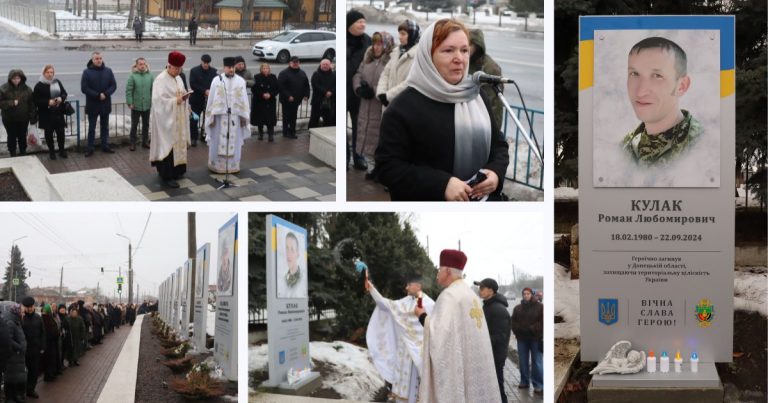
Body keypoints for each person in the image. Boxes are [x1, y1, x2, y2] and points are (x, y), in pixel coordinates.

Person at [375, 19, 509, 201]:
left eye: (464, 50)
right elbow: (388, 168)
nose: (459, 59)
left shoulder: (476, 97)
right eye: (448, 50)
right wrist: (441, 184)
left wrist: (495, 173)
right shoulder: (403, 108)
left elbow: (498, 145)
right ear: (428, 57)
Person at [413, 250, 501, 402]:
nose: (437, 273)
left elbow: (438, 334)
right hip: (474, 367)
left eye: (439, 269)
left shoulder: (449, 296)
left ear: (447, 270)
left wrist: (421, 315)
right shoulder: (470, 294)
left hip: (462, 367)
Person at [621, 37, 702, 166]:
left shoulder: (703, 146)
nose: (640, 92)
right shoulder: (623, 149)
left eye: (657, 76)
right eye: (634, 74)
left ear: (681, 86)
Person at [365, 276, 435, 403]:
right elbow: (385, 304)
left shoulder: (430, 304)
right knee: (402, 387)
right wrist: (371, 289)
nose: (406, 288)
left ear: (418, 286)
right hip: (403, 351)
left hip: (418, 353)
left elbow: (433, 328)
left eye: (409, 285)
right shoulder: (405, 301)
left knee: (416, 385)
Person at [353, 32, 393, 179]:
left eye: (380, 44)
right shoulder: (367, 58)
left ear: (386, 45)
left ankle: (380, 169)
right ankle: (373, 167)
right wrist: (358, 88)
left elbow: (391, 83)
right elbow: (357, 74)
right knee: (366, 136)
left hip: (380, 106)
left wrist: (374, 91)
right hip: (365, 105)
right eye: (374, 43)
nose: (376, 47)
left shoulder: (390, 62)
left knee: (379, 138)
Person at [150, 51, 191, 189]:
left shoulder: (178, 78)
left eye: (180, 69)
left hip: (178, 117)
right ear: (169, 66)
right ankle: (166, 176)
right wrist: (176, 101)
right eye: (176, 68)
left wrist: (185, 98)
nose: (178, 71)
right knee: (168, 146)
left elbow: (182, 92)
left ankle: (178, 171)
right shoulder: (160, 80)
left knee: (178, 145)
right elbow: (158, 102)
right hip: (166, 121)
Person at [206, 56, 250, 174]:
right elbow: (211, 100)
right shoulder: (217, 80)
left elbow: (244, 100)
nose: (231, 70)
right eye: (229, 67)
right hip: (219, 118)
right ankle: (217, 166)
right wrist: (212, 117)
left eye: (233, 67)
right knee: (217, 141)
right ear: (224, 68)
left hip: (235, 117)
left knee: (234, 142)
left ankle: (232, 166)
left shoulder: (240, 81)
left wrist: (243, 117)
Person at [474, 278, 511, 403]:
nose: (480, 291)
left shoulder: (498, 309)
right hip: (488, 354)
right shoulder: (487, 306)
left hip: (495, 356)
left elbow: (502, 336)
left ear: (491, 291)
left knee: (497, 387)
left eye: (482, 288)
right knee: (491, 388)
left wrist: (480, 339)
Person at [346, 9, 371, 170]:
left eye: (364, 21)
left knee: (359, 127)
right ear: (349, 25)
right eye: (359, 21)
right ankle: (344, 157)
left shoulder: (368, 41)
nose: (363, 24)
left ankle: (359, 156)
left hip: (359, 91)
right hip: (342, 90)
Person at [377, 19, 420, 108]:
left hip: (405, 105)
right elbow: (385, 73)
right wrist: (381, 93)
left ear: (412, 35)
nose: (399, 37)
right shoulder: (396, 52)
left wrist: (388, 96)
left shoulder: (418, 56)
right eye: (399, 33)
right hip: (388, 104)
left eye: (403, 34)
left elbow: (411, 81)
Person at [81, 51, 117, 156]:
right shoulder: (87, 72)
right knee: (91, 128)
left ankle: (105, 145)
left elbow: (113, 86)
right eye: (96, 58)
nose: (98, 60)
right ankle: (90, 148)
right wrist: (97, 95)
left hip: (105, 104)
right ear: (92, 60)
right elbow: (84, 88)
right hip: (93, 104)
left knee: (104, 127)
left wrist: (105, 94)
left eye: (100, 58)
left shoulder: (108, 71)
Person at [469, 29, 504, 129]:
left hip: (481, 125)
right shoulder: (464, 61)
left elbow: (495, 105)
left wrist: (494, 133)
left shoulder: (490, 68)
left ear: (476, 45)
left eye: (469, 44)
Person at [511, 287, 543, 395]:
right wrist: (518, 330)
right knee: (523, 361)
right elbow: (513, 322)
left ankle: (538, 384)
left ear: (532, 295)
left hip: (535, 339)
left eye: (528, 294)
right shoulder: (517, 308)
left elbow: (542, 322)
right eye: (524, 294)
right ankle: (524, 381)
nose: (526, 295)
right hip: (522, 339)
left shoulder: (540, 307)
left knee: (537, 362)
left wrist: (531, 328)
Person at [33, 65, 68, 160]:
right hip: (46, 114)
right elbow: (36, 100)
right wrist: (48, 102)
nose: (50, 74)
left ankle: (61, 150)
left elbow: (64, 93)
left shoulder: (57, 82)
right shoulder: (39, 85)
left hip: (58, 113)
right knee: (48, 134)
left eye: (51, 72)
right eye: (47, 72)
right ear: (43, 73)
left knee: (61, 133)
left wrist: (61, 98)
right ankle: (51, 151)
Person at [0, 69, 36, 157]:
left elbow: (32, 104)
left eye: (18, 78)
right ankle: (12, 152)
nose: (16, 80)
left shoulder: (27, 89)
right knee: (11, 136)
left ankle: (23, 151)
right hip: (9, 119)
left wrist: (32, 118)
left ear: (22, 78)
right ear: (10, 79)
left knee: (22, 135)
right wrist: (11, 103)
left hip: (23, 119)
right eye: (14, 78)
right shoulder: (3, 88)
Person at [277, 56, 309, 139]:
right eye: (293, 62)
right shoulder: (283, 73)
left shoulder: (302, 73)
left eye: (297, 62)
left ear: (299, 63)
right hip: (286, 100)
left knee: (293, 117)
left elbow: (306, 85)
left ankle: (292, 131)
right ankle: (285, 132)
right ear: (290, 63)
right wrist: (288, 96)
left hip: (297, 100)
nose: (295, 64)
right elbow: (281, 87)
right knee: (286, 117)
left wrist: (306, 95)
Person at [189, 54, 218, 146]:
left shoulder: (213, 72)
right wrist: (204, 91)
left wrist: (211, 91)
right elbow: (193, 84)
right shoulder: (194, 71)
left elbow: (216, 84)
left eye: (207, 63)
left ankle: (204, 135)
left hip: (209, 100)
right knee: (194, 120)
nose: (206, 64)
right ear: (201, 61)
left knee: (207, 119)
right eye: (204, 63)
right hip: (196, 100)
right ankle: (193, 138)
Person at [126, 57, 153, 151]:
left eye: (144, 64)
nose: (142, 66)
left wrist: (152, 101)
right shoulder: (132, 76)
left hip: (146, 105)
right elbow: (129, 90)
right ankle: (132, 143)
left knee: (146, 125)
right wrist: (130, 102)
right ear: (136, 65)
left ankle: (145, 142)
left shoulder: (150, 75)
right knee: (134, 125)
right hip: (136, 105)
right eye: (140, 64)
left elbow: (152, 90)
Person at [21, 296, 44, 399]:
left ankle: (31, 390)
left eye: (31, 306)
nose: (29, 309)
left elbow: (43, 333)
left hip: (35, 350)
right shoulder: (21, 318)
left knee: (34, 371)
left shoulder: (38, 318)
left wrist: (43, 346)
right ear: (24, 307)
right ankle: (23, 391)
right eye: (27, 307)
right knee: (24, 372)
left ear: (33, 306)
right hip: (25, 350)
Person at [3, 304, 27, 403]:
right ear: (16, 312)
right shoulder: (10, 323)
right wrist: (19, 347)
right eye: (22, 312)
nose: (23, 313)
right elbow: (8, 339)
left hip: (17, 356)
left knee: (15, 378)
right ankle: (9, 398)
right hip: (13, 356)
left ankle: (15, 396)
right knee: (10, 378)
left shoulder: (16, 322)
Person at [251, 63, 278, 142]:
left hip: (270, 101)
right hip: (260, 101)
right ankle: (260, 133)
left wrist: (270, 94)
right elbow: (254, 89)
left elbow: (277, 88)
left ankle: (270, 134)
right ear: (261, 69)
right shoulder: (257, 77)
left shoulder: (273, 77)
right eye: (264, 68)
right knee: (260, 119)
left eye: (267, 68)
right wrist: (262, 94)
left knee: (270, 120)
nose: (266, 70)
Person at [309, 58, 335, 128]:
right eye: (323, 64)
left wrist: (331, 92)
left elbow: (336, 86)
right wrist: (325, 92)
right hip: (317, 100)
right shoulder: (316, 74)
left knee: (328, 119)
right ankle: (311, 132)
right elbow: (315, 85)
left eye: (327, 64)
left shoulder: (333, 75)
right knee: (314, 118)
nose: (325, 66)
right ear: (320, 65)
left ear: (329, 65)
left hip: (329, 101)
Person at [41, 303, 60, 382]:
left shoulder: (45, 318)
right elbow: (51, 331)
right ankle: (49, 375)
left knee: (50, 359)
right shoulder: (47, 319)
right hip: (49, 342)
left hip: (50, 342)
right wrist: (57, 333)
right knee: (49, 360)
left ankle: (50, 374)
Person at [57, 304, 68, 374]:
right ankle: (59, 366)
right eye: (61, 309)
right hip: (60, 337)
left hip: (65, 336)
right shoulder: (58, 317)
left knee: (64, 351)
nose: (63, 310)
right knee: (60, 352)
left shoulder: (66, 316)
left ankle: (62, 364)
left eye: (64, 308)